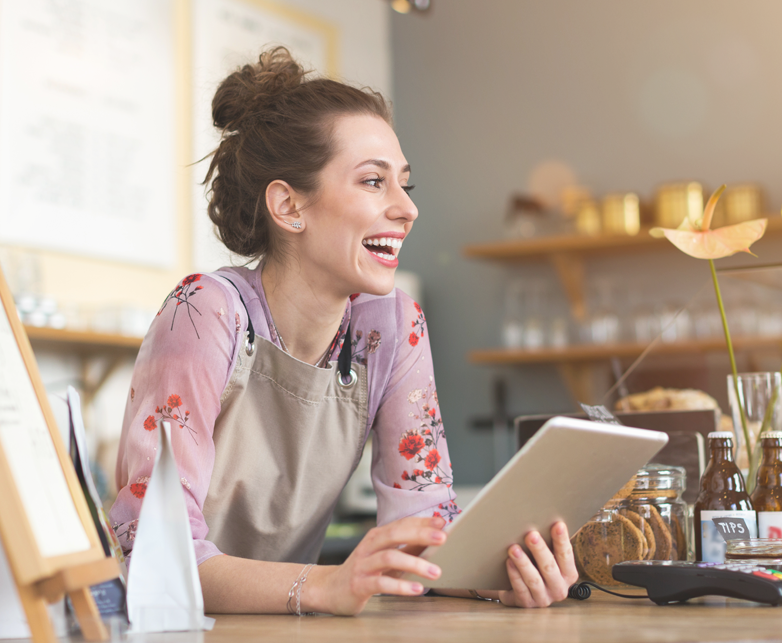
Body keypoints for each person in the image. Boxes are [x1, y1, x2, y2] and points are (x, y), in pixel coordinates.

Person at [109, 47, 578, 615]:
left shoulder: (392, 324)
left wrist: (489, 576)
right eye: (373, 182)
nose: (407, 209)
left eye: (404, 184)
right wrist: (324, 586)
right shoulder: (204, 312)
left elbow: (420, 528)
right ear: (288, 205)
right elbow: (157, 552)